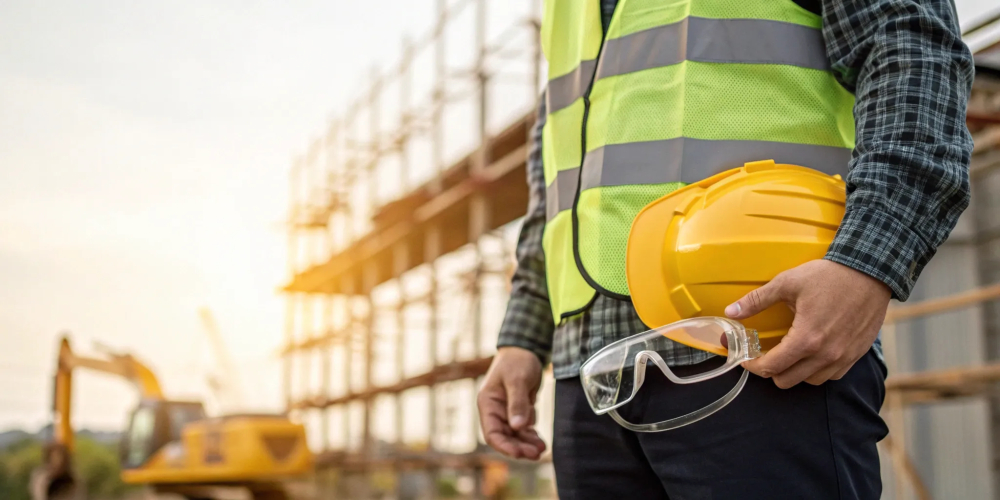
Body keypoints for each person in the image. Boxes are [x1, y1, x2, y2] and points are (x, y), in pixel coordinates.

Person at [477, 0, 974, 498]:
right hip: (589, 375)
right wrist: (524, 335)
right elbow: (561, 160)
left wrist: (868, 260)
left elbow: (911, 46)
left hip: (762, 337)